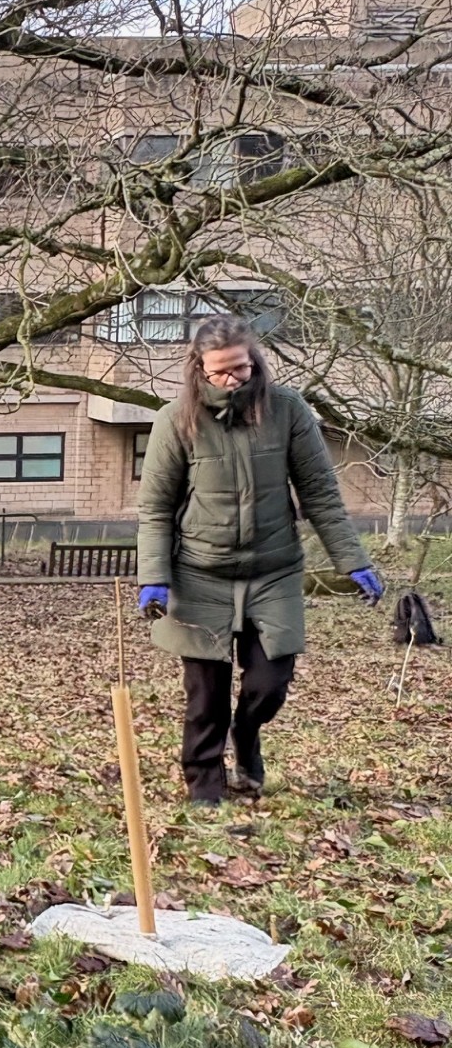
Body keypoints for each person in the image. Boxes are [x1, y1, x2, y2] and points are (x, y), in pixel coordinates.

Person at [136, 314, 383, 805]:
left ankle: (245, 735)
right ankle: (204, 784)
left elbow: (320, 494)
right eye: (220, 372)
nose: (232, 381)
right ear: (199, 368)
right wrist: (154, 577)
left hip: (273, 570)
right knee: (205, 693)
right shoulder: (176, 418)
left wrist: (352, 560)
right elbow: (156, 506)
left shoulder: (287, 410)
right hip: (200, 571)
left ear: (256, 362)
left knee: (270, 683)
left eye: (241, 369)